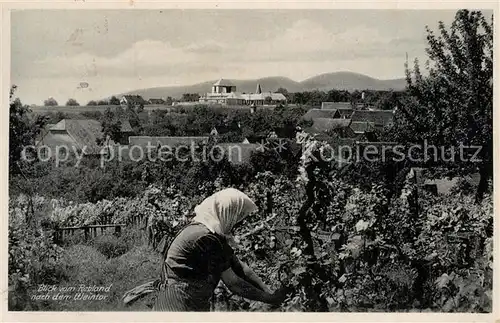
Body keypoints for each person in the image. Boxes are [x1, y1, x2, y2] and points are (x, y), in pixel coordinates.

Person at [153, 188, 287, 311]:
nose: (238, 223)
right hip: (178, 302)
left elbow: (240, 267)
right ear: (228, 212)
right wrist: (269, 298)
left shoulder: (210, 231)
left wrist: (268, 291)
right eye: (237, 217)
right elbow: (233, 283)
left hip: (186, 298)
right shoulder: (206, 238)